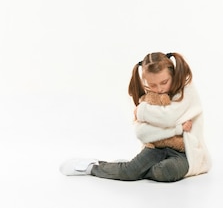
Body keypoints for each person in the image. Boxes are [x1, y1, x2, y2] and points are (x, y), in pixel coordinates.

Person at [59, 52, 211, 182]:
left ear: (173, 74)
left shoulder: (186, 90)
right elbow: (142, 133)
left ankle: (134, 169)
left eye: (164, 82)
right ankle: (93, 167)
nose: (159, 89)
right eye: (152, 85)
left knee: (166, 171)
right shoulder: (147, 99)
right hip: (154, 148)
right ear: (146, 82)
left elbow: (168, 118)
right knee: (129, 173)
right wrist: (177, 128)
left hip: (183, 153)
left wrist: (141, 112)